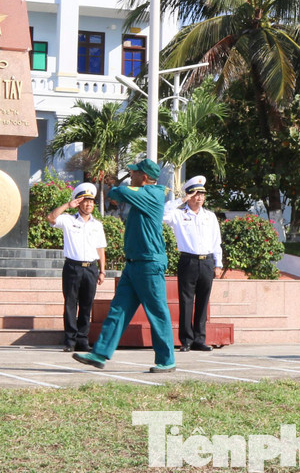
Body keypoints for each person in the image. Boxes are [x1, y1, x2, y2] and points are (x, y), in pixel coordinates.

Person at [74, 158, 177, 373]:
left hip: (149, 263)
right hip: (134, 264)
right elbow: (116, 193)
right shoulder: (141, 193)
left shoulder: (153, 194)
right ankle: (100, 354)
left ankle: (167, 360)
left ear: (145, 177)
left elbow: (117, 192)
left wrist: (124, 189)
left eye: (135, 173)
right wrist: (124, 189)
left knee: (157, 312)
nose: (131, 175)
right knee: (118, 309)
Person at [165, 175, 224, 352]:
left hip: (206, 261)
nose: (199, 198)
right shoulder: (178, 215)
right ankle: (186, 340)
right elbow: (162, 214)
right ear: (189, 196)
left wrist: (218, 263)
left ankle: (200, 339)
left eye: (202, 195)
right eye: (195, 194)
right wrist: (180, 200)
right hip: (188, 260)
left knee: (203, 301)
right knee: (186, 301)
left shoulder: (210, 216)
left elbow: (216, 241)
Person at [48, 182, 107, 352]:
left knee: (87, 305)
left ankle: (82, 340)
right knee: (70, 304)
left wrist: (102, 270)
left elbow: (100, 248)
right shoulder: (68, 220)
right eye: (85, 201)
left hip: (91, 268)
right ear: (78, 202)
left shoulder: (97, 225)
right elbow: (51, 218)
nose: (89, 204)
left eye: (91, 202)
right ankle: (70, 341)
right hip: (73, 267)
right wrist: (67, 205)